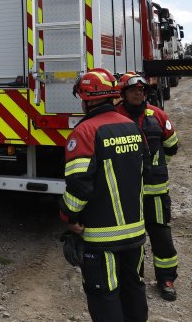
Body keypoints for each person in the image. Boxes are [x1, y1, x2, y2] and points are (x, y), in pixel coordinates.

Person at [63, 68, 148, 322]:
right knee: (134, 288)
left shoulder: (86, 132)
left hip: (102, 237)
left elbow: (78, 187)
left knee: (104, 295)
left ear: (87, 98)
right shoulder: (132, 126)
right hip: (135, 232)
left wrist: (68, 217)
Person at [115, 72, 180, 301]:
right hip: (126, 194)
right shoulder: (114, 117)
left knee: (161, 236)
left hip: (156, 193)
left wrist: (155, 167)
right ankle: (133, 279)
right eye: (133, 90)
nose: (138, 92)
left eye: (141, 90)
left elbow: (172, 146)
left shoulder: (158, 116)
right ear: (123, 93)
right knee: (131, 241)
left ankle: (166, 278)